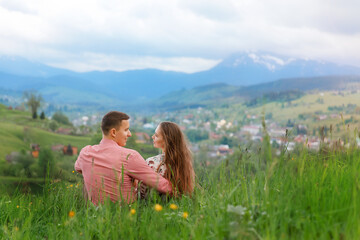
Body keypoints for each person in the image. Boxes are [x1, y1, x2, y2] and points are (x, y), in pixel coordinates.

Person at [75, 111, 172, 205]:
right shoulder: (129, 156)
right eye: (126, 130)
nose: (129, 134)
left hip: (94, 215)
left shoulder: (85, 153)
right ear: (113, 132)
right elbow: (163, 186)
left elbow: (78, 168)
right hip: (125, 216)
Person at [140, 121, 195, 198]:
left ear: (166, 140)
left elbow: (143, 193)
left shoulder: (152, 162)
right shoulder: (185, 163)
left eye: (156, 135)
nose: (152, 137)